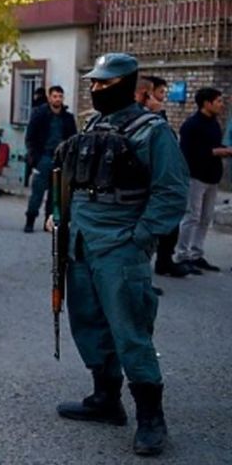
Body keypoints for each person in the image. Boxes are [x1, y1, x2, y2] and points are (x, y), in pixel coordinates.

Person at [54, 53, 188, 456]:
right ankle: (106, 398)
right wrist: (59, 218)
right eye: (93, 83)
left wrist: (139, 238)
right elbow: (74, 180)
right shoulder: (94, 124)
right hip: (81, 241)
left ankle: (151, 418)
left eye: (104, 84)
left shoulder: (153, 131)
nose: (96, 89)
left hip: (120, 245)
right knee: (88, 323)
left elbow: (171, 192)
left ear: (128, 85)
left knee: (130, 331)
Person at [138, 76, 194, 279]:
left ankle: (164, 261)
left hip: (159, 183)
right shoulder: (144, 121)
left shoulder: (156, 119)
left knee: (168, 228)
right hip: (146, 188)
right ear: (147, 94)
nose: (162, 98)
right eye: (160, 93)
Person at [173, 87, 232, 273]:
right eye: (218, 101)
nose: (222, 105)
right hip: (195, 177)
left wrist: (222, 149)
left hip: (212, 177)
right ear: (207, 103)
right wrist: (217, 151)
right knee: (192, 217)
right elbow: (188, 153)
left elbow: (214, 145)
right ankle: (182, 254)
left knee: (205, 218)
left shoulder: (214, 123)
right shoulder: (192, 125)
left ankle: (196, 253)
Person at [23, 85, 76, 233]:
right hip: (44, 157)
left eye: (60, 96)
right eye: (55, 96)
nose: (58, 99)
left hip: (61, 159)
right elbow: (30, 138)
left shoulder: (68, 118)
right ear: (49, 98)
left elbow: (73, 139)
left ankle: (50, 222)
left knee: (56, 195)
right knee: (37, 193)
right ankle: (30, 220)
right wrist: (35, 158)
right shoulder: (39, 115)